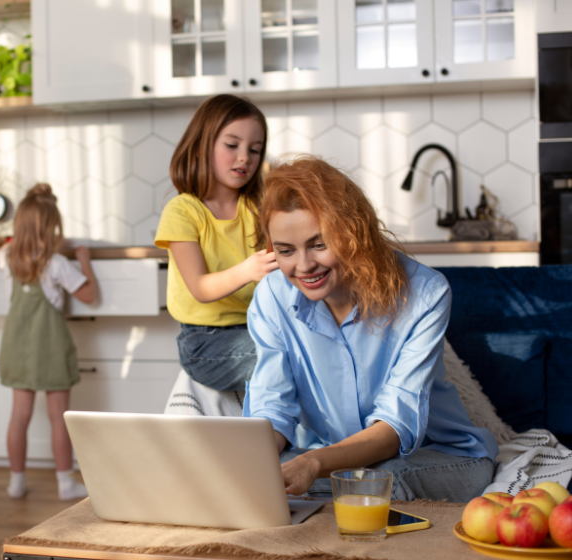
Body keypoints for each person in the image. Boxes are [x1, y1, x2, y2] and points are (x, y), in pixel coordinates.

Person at [244, 155, 499, 502]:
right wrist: (253, 465)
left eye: (319, 244)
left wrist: (311, 464)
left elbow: (396, 426)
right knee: (268, 477)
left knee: (379, 481)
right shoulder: (271, 296)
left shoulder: (425, 293)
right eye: (287, 251)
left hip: (436, 456)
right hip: (327, 458)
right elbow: (271, 406)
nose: (304, 266)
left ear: (352, 232)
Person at [154, 95, 278, 392]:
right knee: (282, 357)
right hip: (204, 343)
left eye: (255, 150)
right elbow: (199, 287)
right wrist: (248, 270)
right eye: (232, 145)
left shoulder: (258, 209)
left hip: (257, 327)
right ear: (202, 145)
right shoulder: (183, 211)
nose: (245, 157)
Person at [0, 184, 96, 501]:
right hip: (50, 348)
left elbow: (10, 250)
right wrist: (84, 259)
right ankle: (65, 483)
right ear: (52, 225)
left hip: (17, 348)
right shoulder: (55, 263)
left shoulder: (6, 256)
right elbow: (90, 296)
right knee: (58, 417)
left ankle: (16, 481)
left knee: (19, 416)